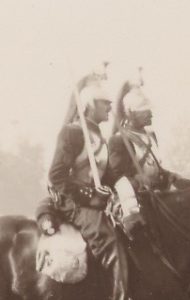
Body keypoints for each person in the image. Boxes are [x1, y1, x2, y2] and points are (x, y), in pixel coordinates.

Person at [35, 74, 129, 300]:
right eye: (104, 103)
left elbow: (103, 177)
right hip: (73, 202)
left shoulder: (97, 134)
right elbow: (56, 176)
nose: (109, 107)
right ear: (89, 105)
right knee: (110, 241)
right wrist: (89, 198)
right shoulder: (73, 132)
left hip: (93, 201)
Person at [108, 81, 190, 238]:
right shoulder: (119, 140)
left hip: (158, 190)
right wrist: (138, 179)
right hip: (136, 198)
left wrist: (170, 176)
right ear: (131, 113)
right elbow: (116, 176)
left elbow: (154, 165)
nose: (150, 114)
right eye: (144, 111)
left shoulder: (150, 135)